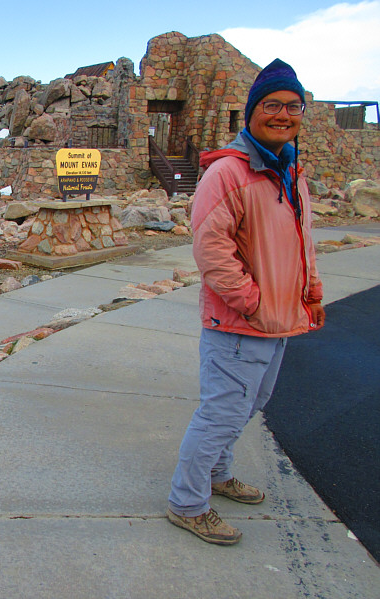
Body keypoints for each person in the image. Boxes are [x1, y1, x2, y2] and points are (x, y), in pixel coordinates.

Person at [166, 58, 326, 545]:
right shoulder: (228, 174)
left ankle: (217, 473)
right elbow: (211, 251)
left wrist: (311, 294)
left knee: (248, 404)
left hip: (279, 316)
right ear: (252, 113)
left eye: (293, 105)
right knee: (222, 413)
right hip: (239, 323)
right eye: (272, 105)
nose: (283, 114)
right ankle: (187, 503)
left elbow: (303, 240)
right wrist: (252, 303)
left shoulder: (288, 169)